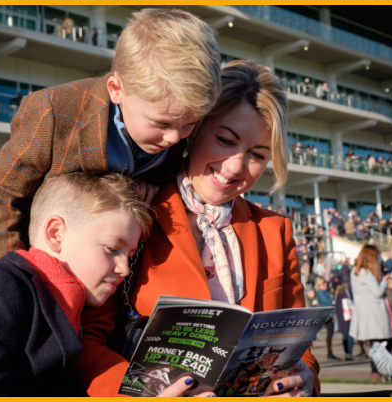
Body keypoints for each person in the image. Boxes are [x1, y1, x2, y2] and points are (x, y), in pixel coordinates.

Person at [74, 61, 319, 397]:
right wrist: (134, 393)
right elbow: (85, 337)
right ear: (194, 128)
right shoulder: (134, 212)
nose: (235, 167)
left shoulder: (276, 230)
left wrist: (304, 377)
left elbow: (298, 344)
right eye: (225, 140)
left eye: (257, 155)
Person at [0, 173, 214, 396]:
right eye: (111, 249)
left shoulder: (66, 310)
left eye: (130, 256)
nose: (123, 268)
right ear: (55, 234)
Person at [0, 8, 222, 262]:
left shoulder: (174, 123)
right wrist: (11, 273)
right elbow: (0, 193)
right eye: (161, 123)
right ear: (116, 89)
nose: (175, 139)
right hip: (40, 257)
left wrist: (146, 180)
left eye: (189, 124)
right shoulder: (54, 112)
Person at [348, 244, 392, 383]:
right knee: (381, 344)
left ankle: (376, 373)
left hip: (364, 313)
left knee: (375, 345)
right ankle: (378, 372)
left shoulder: (355, 272)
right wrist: (385, 281)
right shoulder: (366, 273)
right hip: (373, 314)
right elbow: (377, 292)